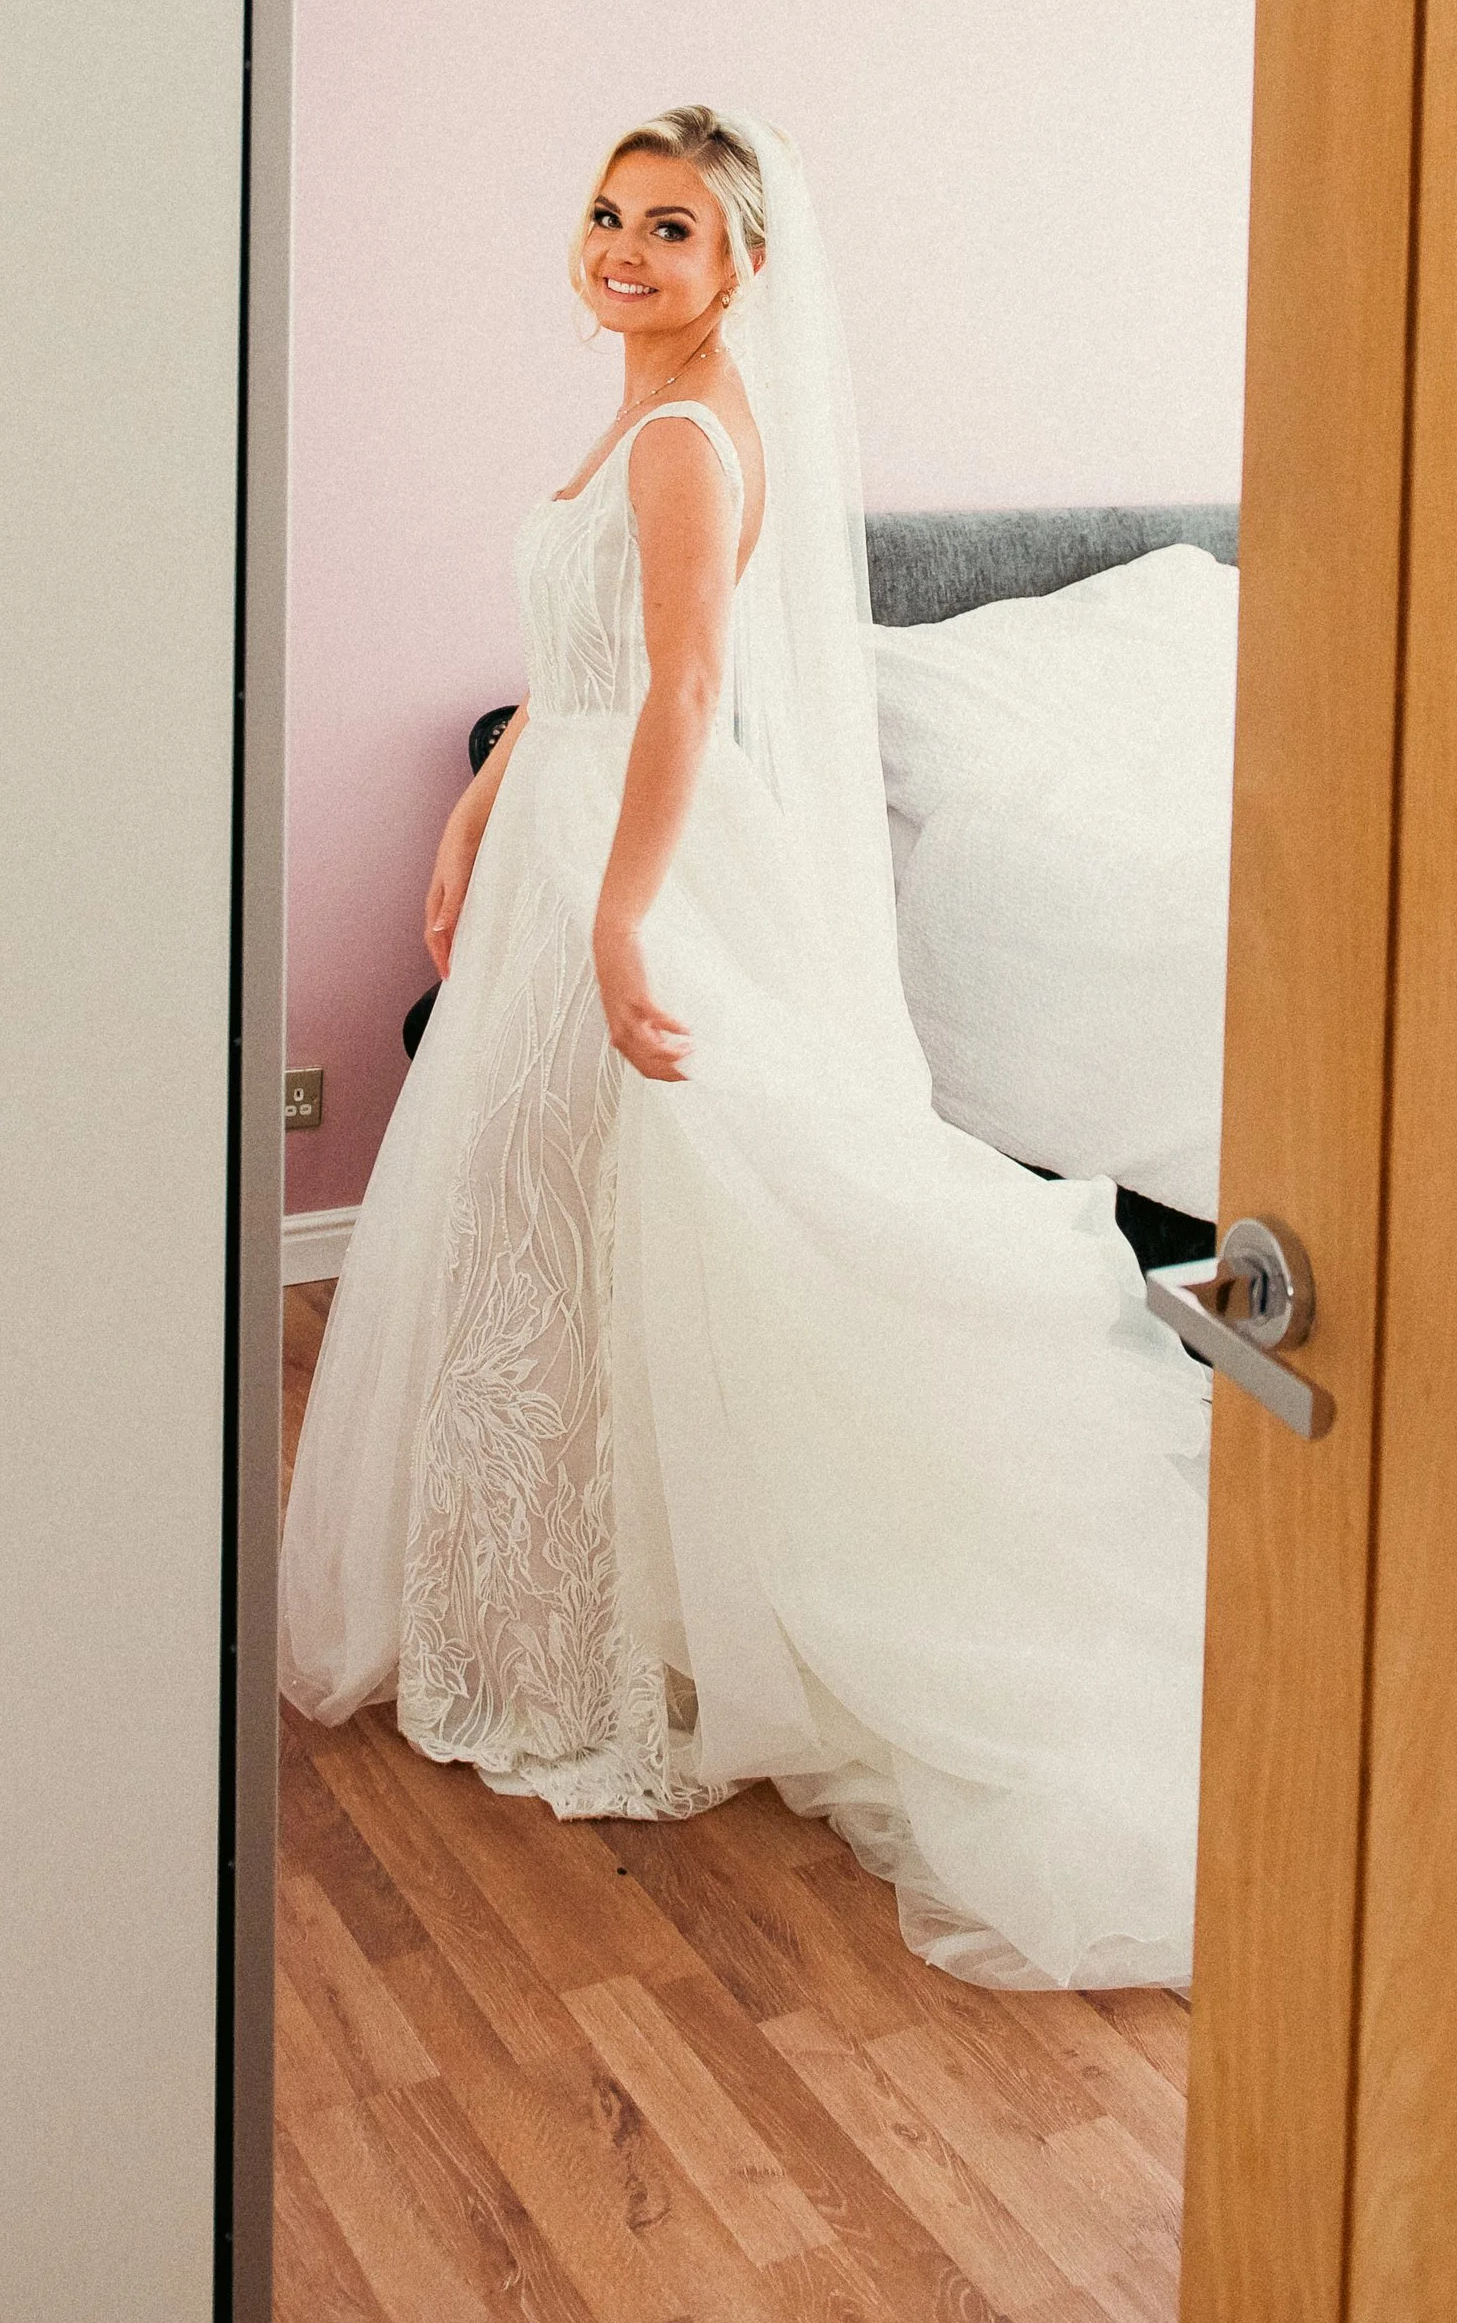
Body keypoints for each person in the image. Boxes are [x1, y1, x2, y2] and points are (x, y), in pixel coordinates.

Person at [278, 106, 1211, 1990]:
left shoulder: (692, 438)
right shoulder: (638, 413)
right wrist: (472, 818)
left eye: (673, 229)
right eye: (609, 216)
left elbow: (686, 691)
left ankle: (649, 1620)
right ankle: (581, 1591)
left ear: (743, 267)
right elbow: (582, 671)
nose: (624, 251)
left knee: (633, 1213)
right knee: (555, 1226)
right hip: (559, 841)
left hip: (635, 866)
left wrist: (621, 917)